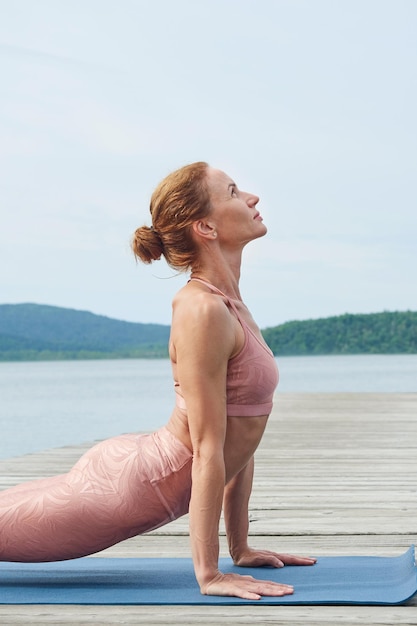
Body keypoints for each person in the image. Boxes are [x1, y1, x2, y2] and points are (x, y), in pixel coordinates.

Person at [0, 162, 316, 599]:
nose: (252, 198)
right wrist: (210, 575)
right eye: (233, 192)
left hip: (141, 463)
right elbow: (208, 448)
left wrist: (239, 549)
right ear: (205, 226)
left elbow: (240, 440)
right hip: (128, 489)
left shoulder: (230, 305)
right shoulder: (201, 311)